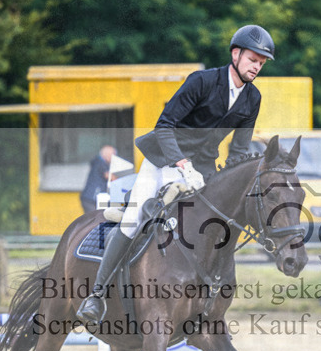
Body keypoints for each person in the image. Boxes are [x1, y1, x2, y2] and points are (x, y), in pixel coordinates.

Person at [76, 24, 275, 324]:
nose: (256, 66)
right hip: (162, 161)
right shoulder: (201, 82)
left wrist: (230, 180)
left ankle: (205, 295)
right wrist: (182, 164)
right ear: (235, 54)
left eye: (261, 62)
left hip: (204, 168)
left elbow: (239, 150)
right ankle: (97, 295)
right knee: (133, 220)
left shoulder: (252, 99)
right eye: (252, 59)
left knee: (215, 225)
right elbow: (164, 125)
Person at [79, 145, 117, 215]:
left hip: (89, 198)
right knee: (93, 220)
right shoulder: (101, 163)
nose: (114, 157)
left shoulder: (98, 161)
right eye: (113, 154)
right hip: (91, 198)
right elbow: (110, 177)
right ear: (106, 155)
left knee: (93, 220)